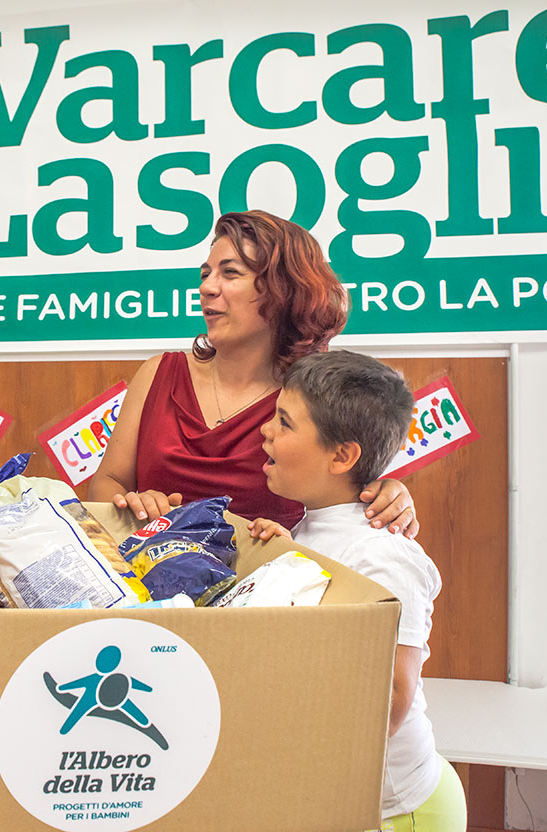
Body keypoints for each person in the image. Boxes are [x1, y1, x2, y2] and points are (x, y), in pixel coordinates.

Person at [89, 210, 418, 534]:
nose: (207, 287)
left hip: (267, 585)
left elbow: (341, 488)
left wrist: (385, 493)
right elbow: (109, 482)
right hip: (144, 577)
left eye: (230, 273)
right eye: (206, 274)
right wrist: (133, 508)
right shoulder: (158, 372)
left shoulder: (311, 397)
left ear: (282, 290)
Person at [250, 350, 466, 832]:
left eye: (284, 423)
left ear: (342, 455)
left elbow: (388, 701)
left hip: (393, 811)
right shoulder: (310, 529)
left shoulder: (383, 556)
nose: (266, 431)